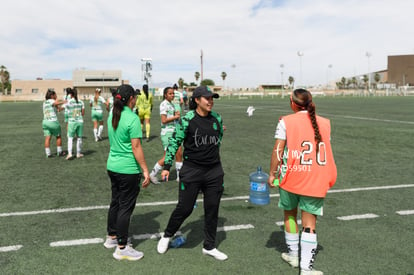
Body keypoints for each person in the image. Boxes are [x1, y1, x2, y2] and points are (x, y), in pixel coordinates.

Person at [267, 89, 337, 275]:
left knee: (289, 215)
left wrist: (272, 174)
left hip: (290, 177)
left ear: (293, 103)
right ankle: (306, 269)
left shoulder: (286, 121)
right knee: (309, 224)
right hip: (314, 179)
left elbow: (278, 150)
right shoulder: (325, 123)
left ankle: (293, 256)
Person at [157, 86, 228, 261]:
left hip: (214, 171)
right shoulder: (187, 119)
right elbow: (174, 142)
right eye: (207, 98)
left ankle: (209, 246)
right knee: (185, 208)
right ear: (197, 100)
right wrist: (166, 166)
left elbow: (217, 140)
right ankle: (167, 235)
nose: (210, 101)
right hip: (192, 170)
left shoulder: (217, 118)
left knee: (212, 209)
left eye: (212, 98)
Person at [104, 84, 150, 261]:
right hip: (128, 169)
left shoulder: (112, 114)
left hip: (113, 167)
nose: (137, 98)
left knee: (115, 202)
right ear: (131, 98)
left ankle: (112, 237)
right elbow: (136, 147)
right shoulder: (131, 118)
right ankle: (122, 247)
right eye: (135, 96)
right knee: (125, 207)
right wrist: (145, 170)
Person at [149, 87, 183, 184]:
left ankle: (179, 176)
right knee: (168, 156)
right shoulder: (164, 104)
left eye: (173, 93)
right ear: (165, 95)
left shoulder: (171, 104)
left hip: (173, 131)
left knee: (179, 152)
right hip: (167, 132)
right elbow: (164, 120)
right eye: (170, 94)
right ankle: (152, 174)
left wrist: (176, 116)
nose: (172, 95)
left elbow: (172, 118)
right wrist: (175, 117)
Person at [42, 89, 64, 157]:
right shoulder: (52, 100)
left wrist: (63, 107)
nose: (56, 96)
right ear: (52, 95)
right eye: (55, 95)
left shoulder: (44, 102)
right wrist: (65, 102)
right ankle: (59, 152)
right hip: (53, 121)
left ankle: (48, 153)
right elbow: (55, 103)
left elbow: (58, 109)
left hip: (45, 122)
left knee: (47, 138)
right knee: (58, 136)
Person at [64, 88, 85, 160]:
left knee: (70, 138)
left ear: (71, 94)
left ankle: (70, 154)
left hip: (72, 122)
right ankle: (78, 153)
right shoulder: (81, 102)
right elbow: (83, 113)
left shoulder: (69, 102)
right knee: (79, 138)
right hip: (80, 121)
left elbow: (62, 108)